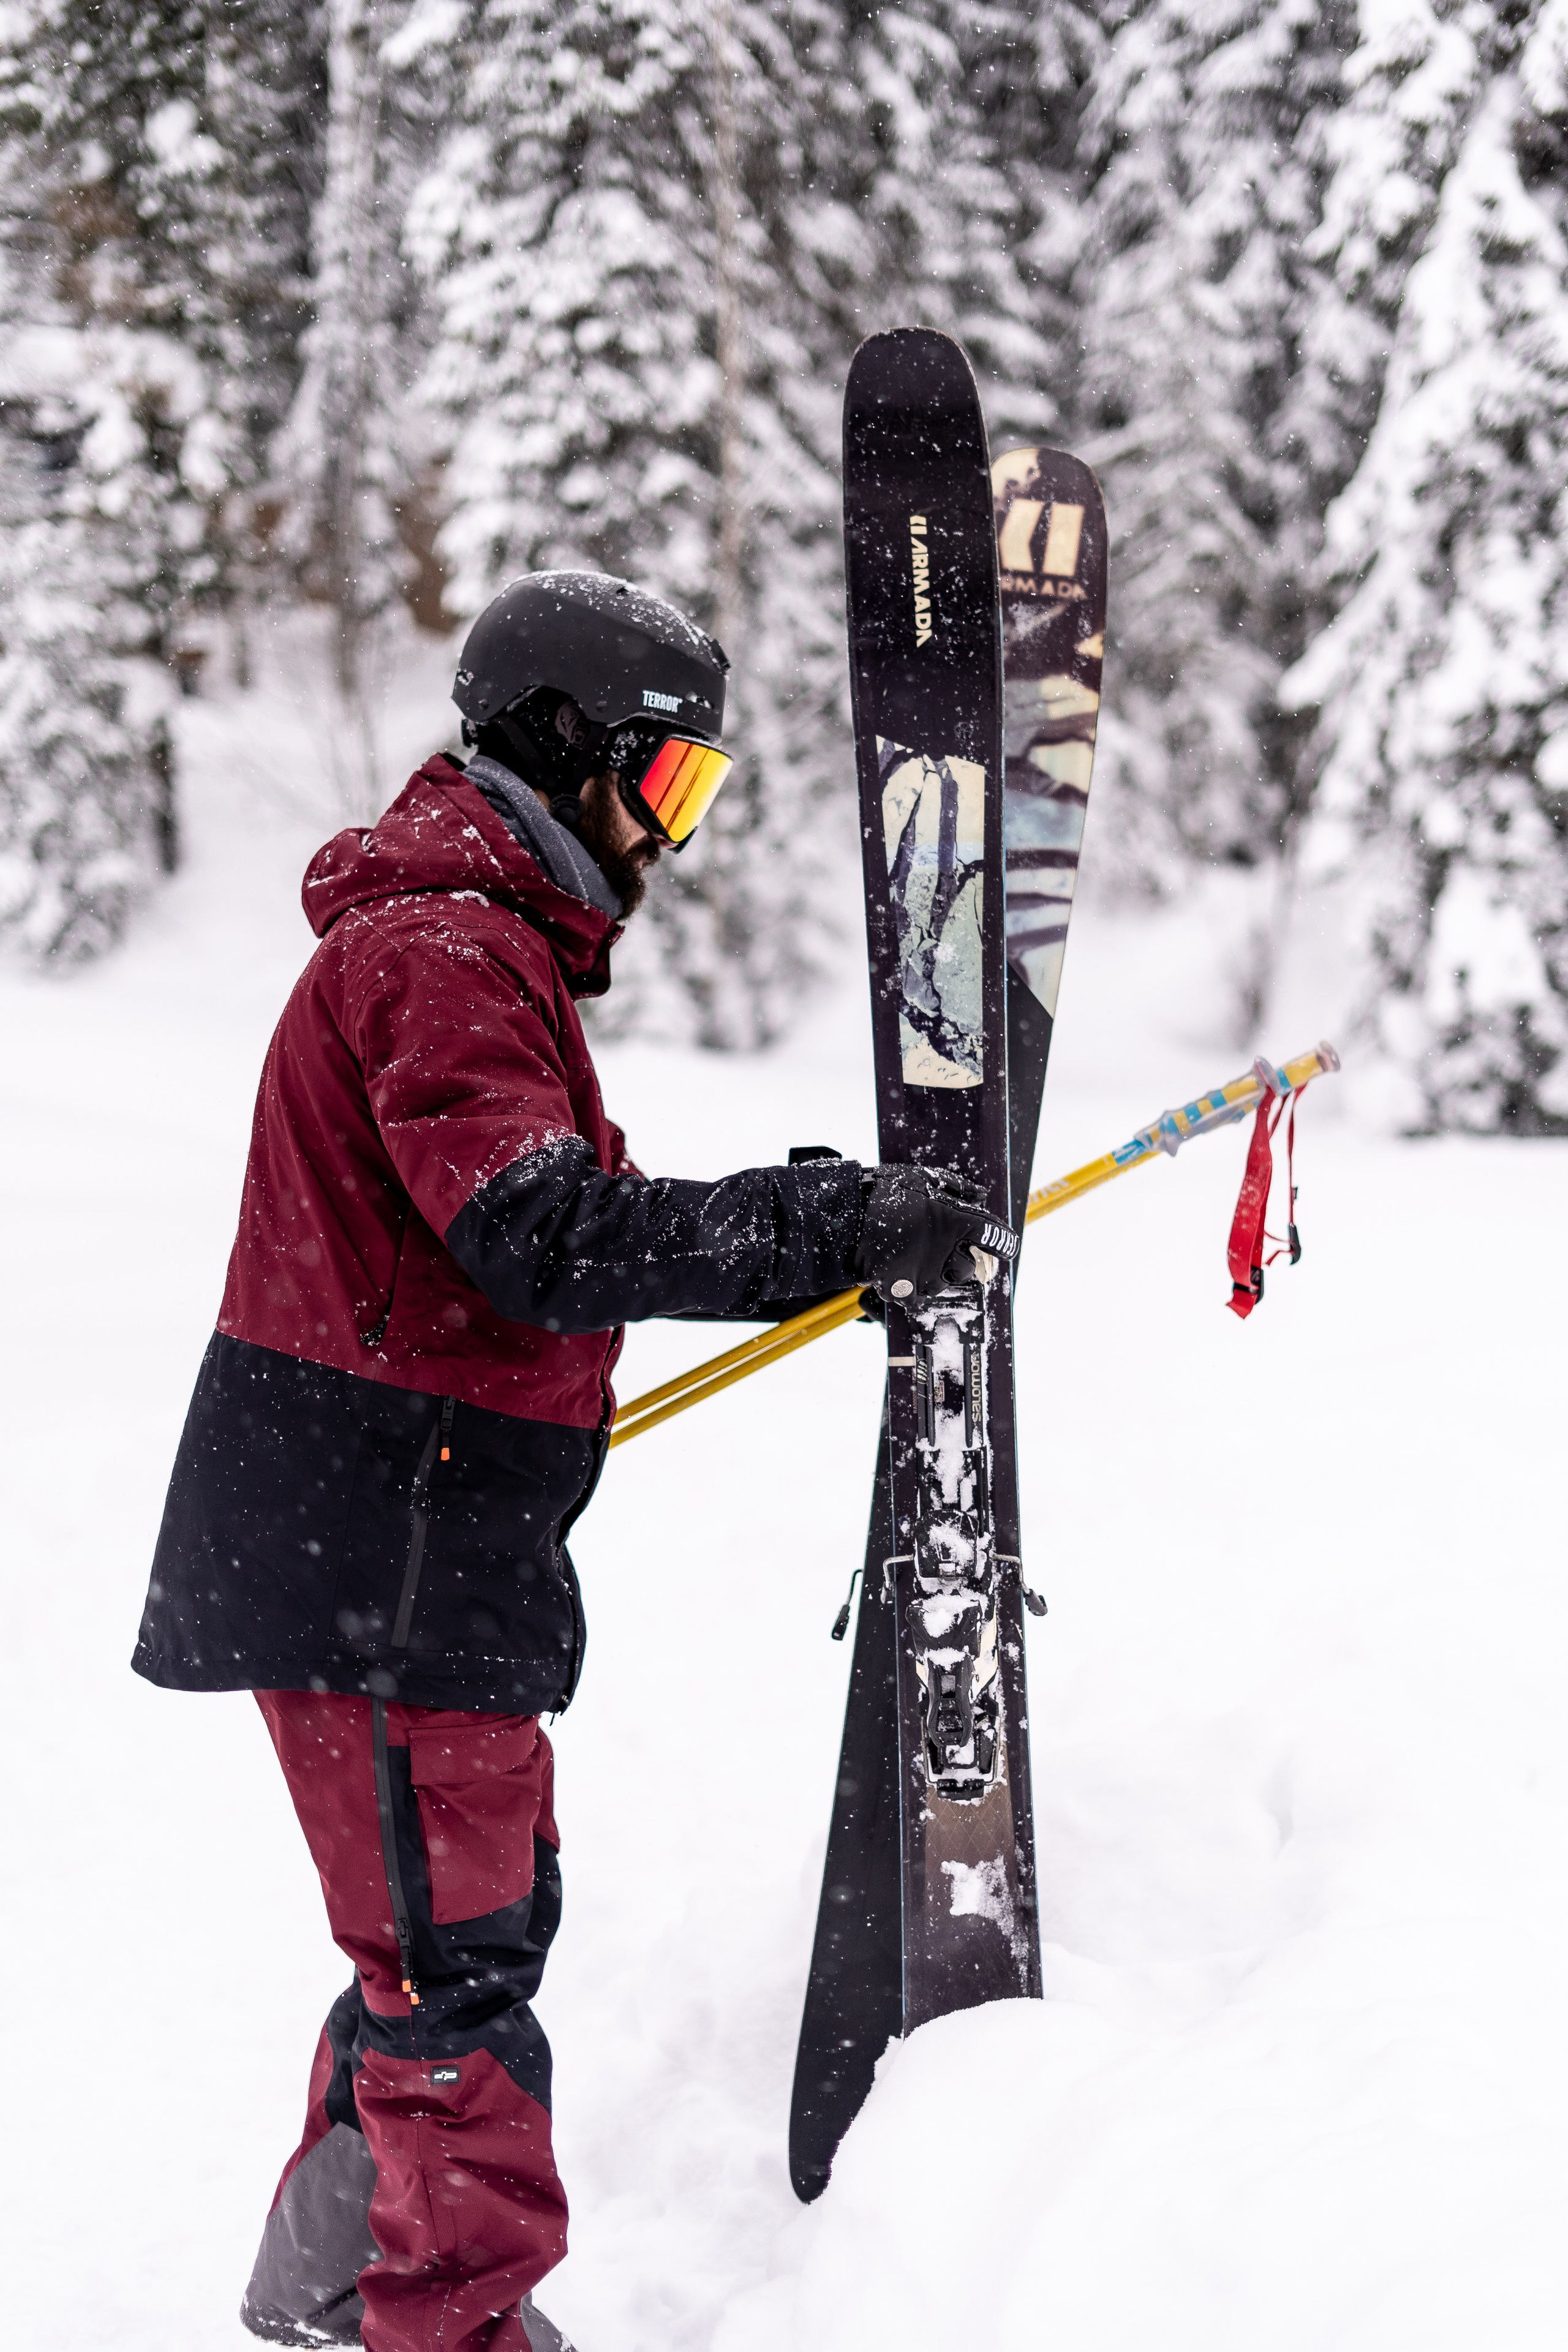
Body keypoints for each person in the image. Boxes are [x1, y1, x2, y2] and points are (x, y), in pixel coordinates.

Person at [133, 571, 1011, 2352]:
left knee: (455, 1938)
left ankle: (329, 2287)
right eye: (666, 785)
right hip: (374, 1558)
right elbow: (540, 1233)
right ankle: (437, 2326)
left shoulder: (473, 941)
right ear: (564, 746)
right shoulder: (441, 953)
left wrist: (818, 1246)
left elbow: (489, 1261)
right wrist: (815, 1224)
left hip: (414, 1547)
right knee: (451, 1972)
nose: (671, 841)